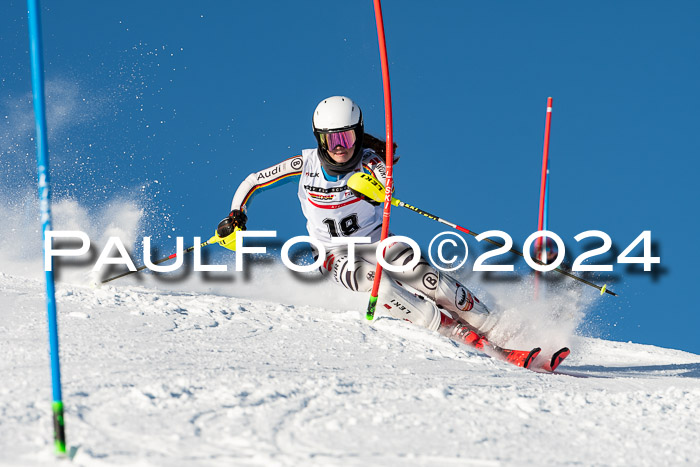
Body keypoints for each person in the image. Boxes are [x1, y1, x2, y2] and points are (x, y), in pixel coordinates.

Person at [216, 96, 497, 347]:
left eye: (347, 138)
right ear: (319, 139)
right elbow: (254, 181)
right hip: (331, 253)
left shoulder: (370, 160)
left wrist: (381, 191)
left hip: (378, 241)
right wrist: (236, 214)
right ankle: (452, 331)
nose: (340, 148)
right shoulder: (305, 165)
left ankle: (493, 325)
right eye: (331, 140)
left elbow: (387, 181)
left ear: (358, 134)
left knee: (426, 277)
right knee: (381, 286)